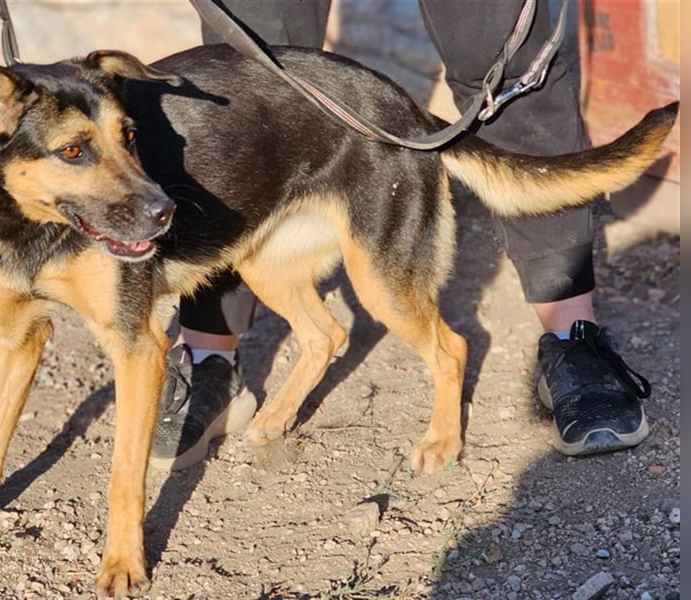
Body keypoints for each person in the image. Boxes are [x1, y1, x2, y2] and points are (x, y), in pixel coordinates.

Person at [150, 0, 651, 470]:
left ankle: (571, 338)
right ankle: (210, 355)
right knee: (246, 59)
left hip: (375, 151)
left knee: (502, 51)